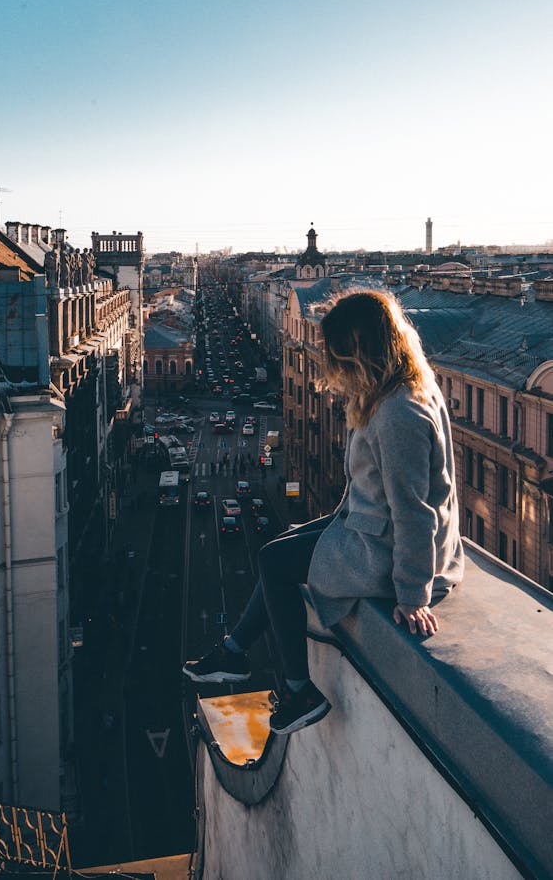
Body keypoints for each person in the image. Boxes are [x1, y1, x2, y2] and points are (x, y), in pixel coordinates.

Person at [183, 290, 464, 735]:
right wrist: (329, 525)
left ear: (361, 351)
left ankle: (299, 691)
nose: (336, 370)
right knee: (280, 546)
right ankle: (234, 652)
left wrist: (413, 595)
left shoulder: (397, 414)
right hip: (374, 529)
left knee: (274, 562)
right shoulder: (407, 388)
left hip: (390, 550)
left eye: (339, 358)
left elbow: (415, 510)